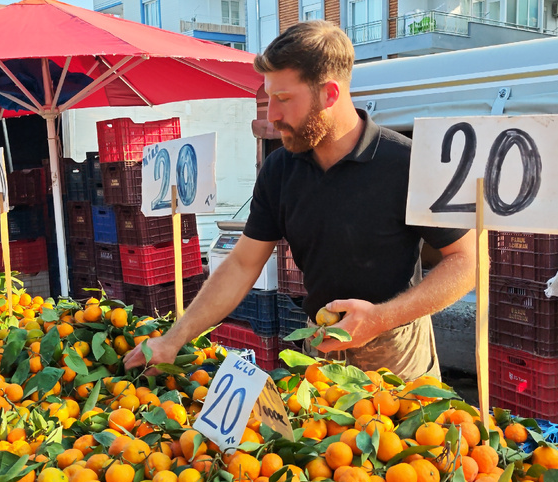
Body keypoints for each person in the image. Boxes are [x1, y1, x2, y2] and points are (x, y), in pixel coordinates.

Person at [124, 21, 476, 380]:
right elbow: (242, 264)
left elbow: (465, 263)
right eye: (268, 98)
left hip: (396, 352)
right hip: (318, 346)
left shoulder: (409, 163)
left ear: (330, 94)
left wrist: (381, 318)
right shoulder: (279, 169)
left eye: (283, 99)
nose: (271, 117)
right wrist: (174, 338)